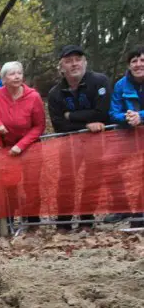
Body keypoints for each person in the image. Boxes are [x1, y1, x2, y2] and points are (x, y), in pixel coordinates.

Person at [48, 45, 112, 231]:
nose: (74, 64)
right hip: (68, 143)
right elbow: (59, 124)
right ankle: (63, 222)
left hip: (96, 142)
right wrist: (86, 124)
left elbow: (102, 113)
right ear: (61, 67)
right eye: (68, 61)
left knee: (92, 180)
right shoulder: (55, 93)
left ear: (85, 62)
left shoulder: (100, 81)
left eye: (77, 59)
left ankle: (86, 220)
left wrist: (71, 116)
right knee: (66, 180)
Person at [0, 62, 46, 233]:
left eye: (19, 73)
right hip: (5, 148)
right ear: (3, 79)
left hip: (29, 147)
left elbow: (39, 126)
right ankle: (8, 223)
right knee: (8, 186)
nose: (16, 77)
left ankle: (32, 222)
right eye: (12, 74)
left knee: (31, 186)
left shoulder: (34, 97)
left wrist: (21, 145)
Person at [108, 46, 144, 228]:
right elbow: (113, 112)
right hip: (129, 135)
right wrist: (128, 118)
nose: (138, 65)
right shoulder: (121, 85)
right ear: (129, 65)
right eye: (134, 61)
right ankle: (130, 210)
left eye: (142, 60)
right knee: (123, 169)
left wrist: (141, 116)